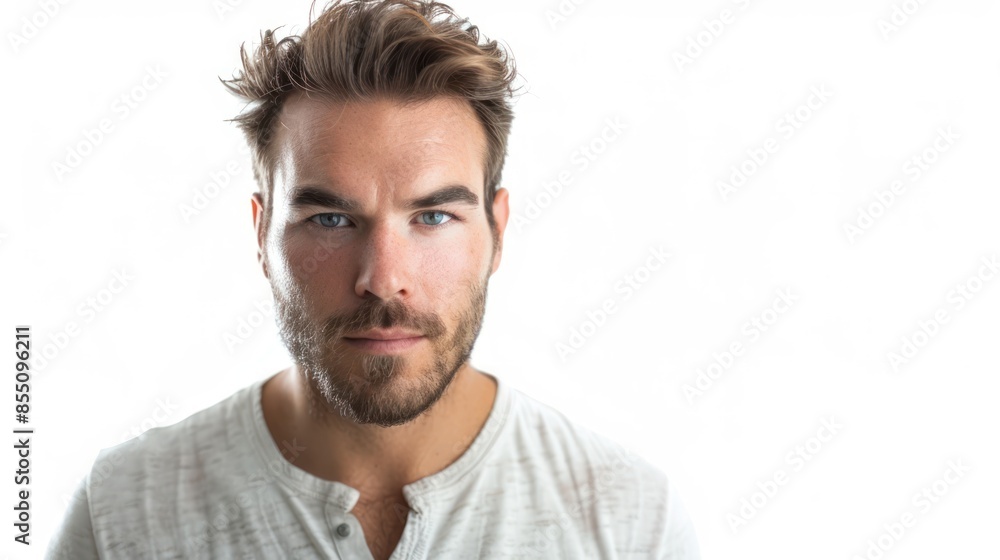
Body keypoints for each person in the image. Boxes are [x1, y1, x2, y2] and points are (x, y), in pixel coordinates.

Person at [46, 1, 700, 558]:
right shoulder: (126, 516)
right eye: (331, 217)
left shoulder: (628, 521)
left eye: (434, 215)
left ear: (497, 231)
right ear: (261, 234)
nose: (384, 280)